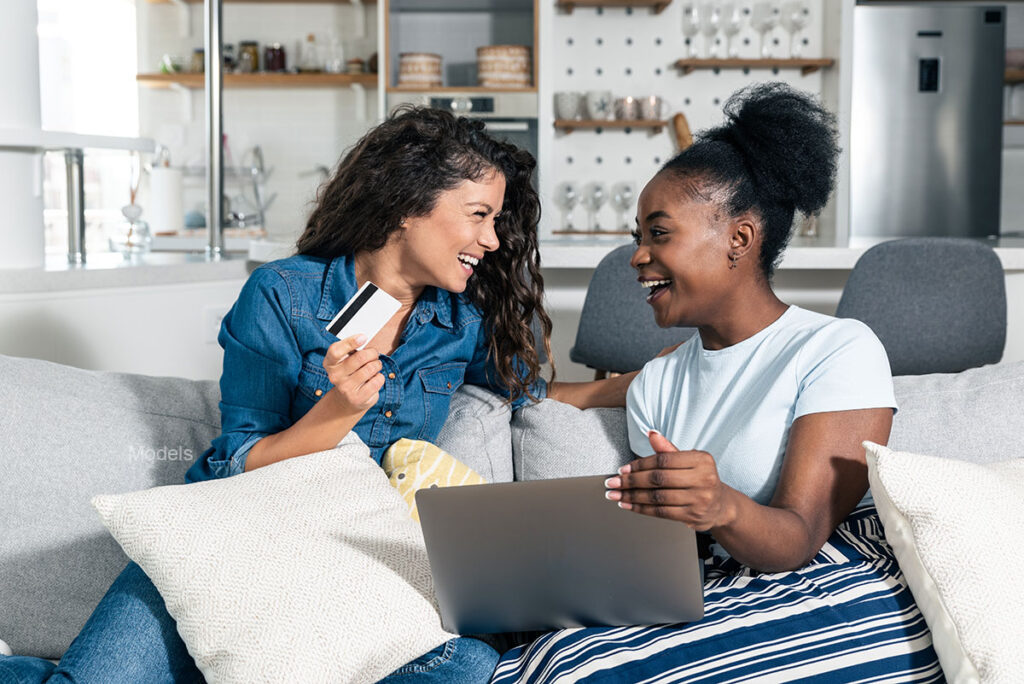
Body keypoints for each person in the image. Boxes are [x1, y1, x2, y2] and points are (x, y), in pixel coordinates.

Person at [0, 107, 631, 683]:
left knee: (466, 664)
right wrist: (336, 414)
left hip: (357, 562)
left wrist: (624, 387)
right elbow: (234, 464)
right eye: (478, 215)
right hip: (235, 539)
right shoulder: (281, 295)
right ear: (408, 206)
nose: (492, 239)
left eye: (495, 220)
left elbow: (528, 396)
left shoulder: (456, 322)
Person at [491, 83, 944, 681]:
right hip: (722, 581)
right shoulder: (659, 382)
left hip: (837, 579)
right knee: (549, 656)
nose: (636, 256)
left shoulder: (838, 350)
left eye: (659, 233)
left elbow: (800, 536)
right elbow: (564, 396)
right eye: (637, 237)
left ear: (739, 239)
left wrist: (720, 504)